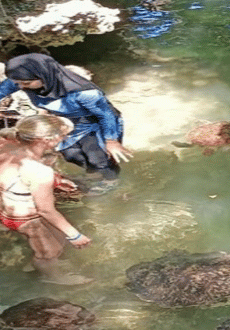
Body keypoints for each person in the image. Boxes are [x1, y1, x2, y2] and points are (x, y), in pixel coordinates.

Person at [0, 54, 132, 193]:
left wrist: (111, 141)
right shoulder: (21, 80)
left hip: (94, 122)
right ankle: (93, 175)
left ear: (43, 76)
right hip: (62, 121)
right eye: (18, 83)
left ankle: (111, 181)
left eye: (25, 84)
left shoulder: (84, 92)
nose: (20, 87)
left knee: (98, 157)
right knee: (72, 155)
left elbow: (106, 114)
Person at [0, 115, 92, 284]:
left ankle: (37, 257)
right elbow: (46, 210)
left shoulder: (6, 146)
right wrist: (75, 235)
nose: (64, 139)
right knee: (50, 252)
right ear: (45, 140)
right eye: (62, 136)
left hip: (8, 208)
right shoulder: (39, 172)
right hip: (26, 219)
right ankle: (53, 277)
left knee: (57, 238)